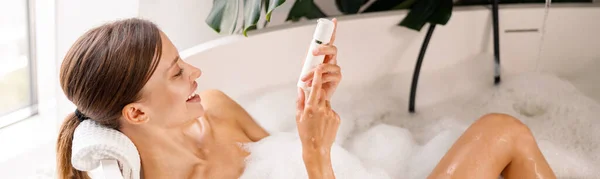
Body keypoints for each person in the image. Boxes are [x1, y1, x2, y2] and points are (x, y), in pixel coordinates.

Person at [56, 18, 556, 179]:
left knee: (502, 128)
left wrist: (306, 113)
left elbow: (288, 157)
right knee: (504, 134)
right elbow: (311, 163)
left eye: (183, 58)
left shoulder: (218, 108)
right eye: (176, 73)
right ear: (136, 112)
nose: (196, 72)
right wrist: (317, 154)